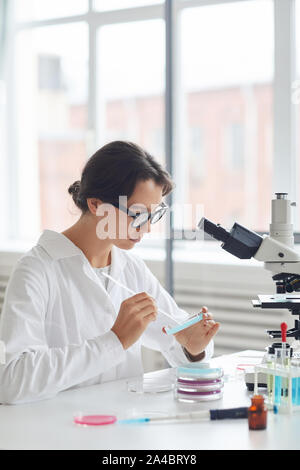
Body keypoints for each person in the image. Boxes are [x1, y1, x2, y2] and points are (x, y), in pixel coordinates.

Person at [0, 141, 219, 404]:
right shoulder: (37, 269)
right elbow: (12, 382)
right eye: (137, 215)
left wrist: (192, 348)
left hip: (124, 428)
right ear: (95, 204)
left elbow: (178, 341)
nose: (147, 229)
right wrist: (114, 341)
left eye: (153, 216)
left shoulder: (130, 267)